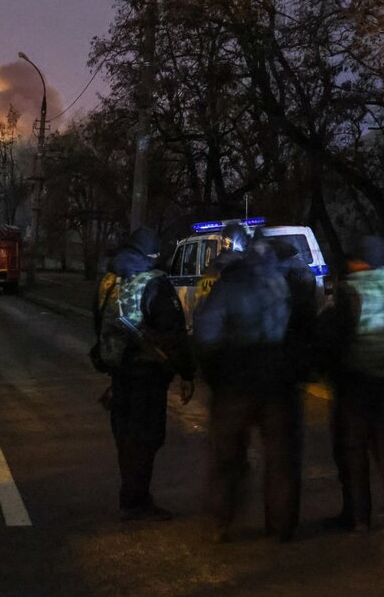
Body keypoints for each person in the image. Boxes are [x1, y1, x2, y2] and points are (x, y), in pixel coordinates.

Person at [192, 228, 299, 542]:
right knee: (281, 458)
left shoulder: (231, 282)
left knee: (227, 455)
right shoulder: (288, 285)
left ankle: (221, 520)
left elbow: (206, 333)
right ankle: (281, 527)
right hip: (278, 382)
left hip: (235, 381)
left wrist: (211, 371)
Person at [90, 226, 196, 522]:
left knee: (125, 435)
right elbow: (173, 333)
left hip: (118, 372)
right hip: (148, 373)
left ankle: (132, 495)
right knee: (146, 437)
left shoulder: (109, 279)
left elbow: (98, 323)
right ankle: (135, 501)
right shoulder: (155, 283)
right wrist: (187, 373)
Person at [319, 236, 384, 532]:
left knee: (353, 450)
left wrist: (329, 367)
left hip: (355, 381)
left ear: (362, 261)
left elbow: (331, 337)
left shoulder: (351, 291)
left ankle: (359, 516)